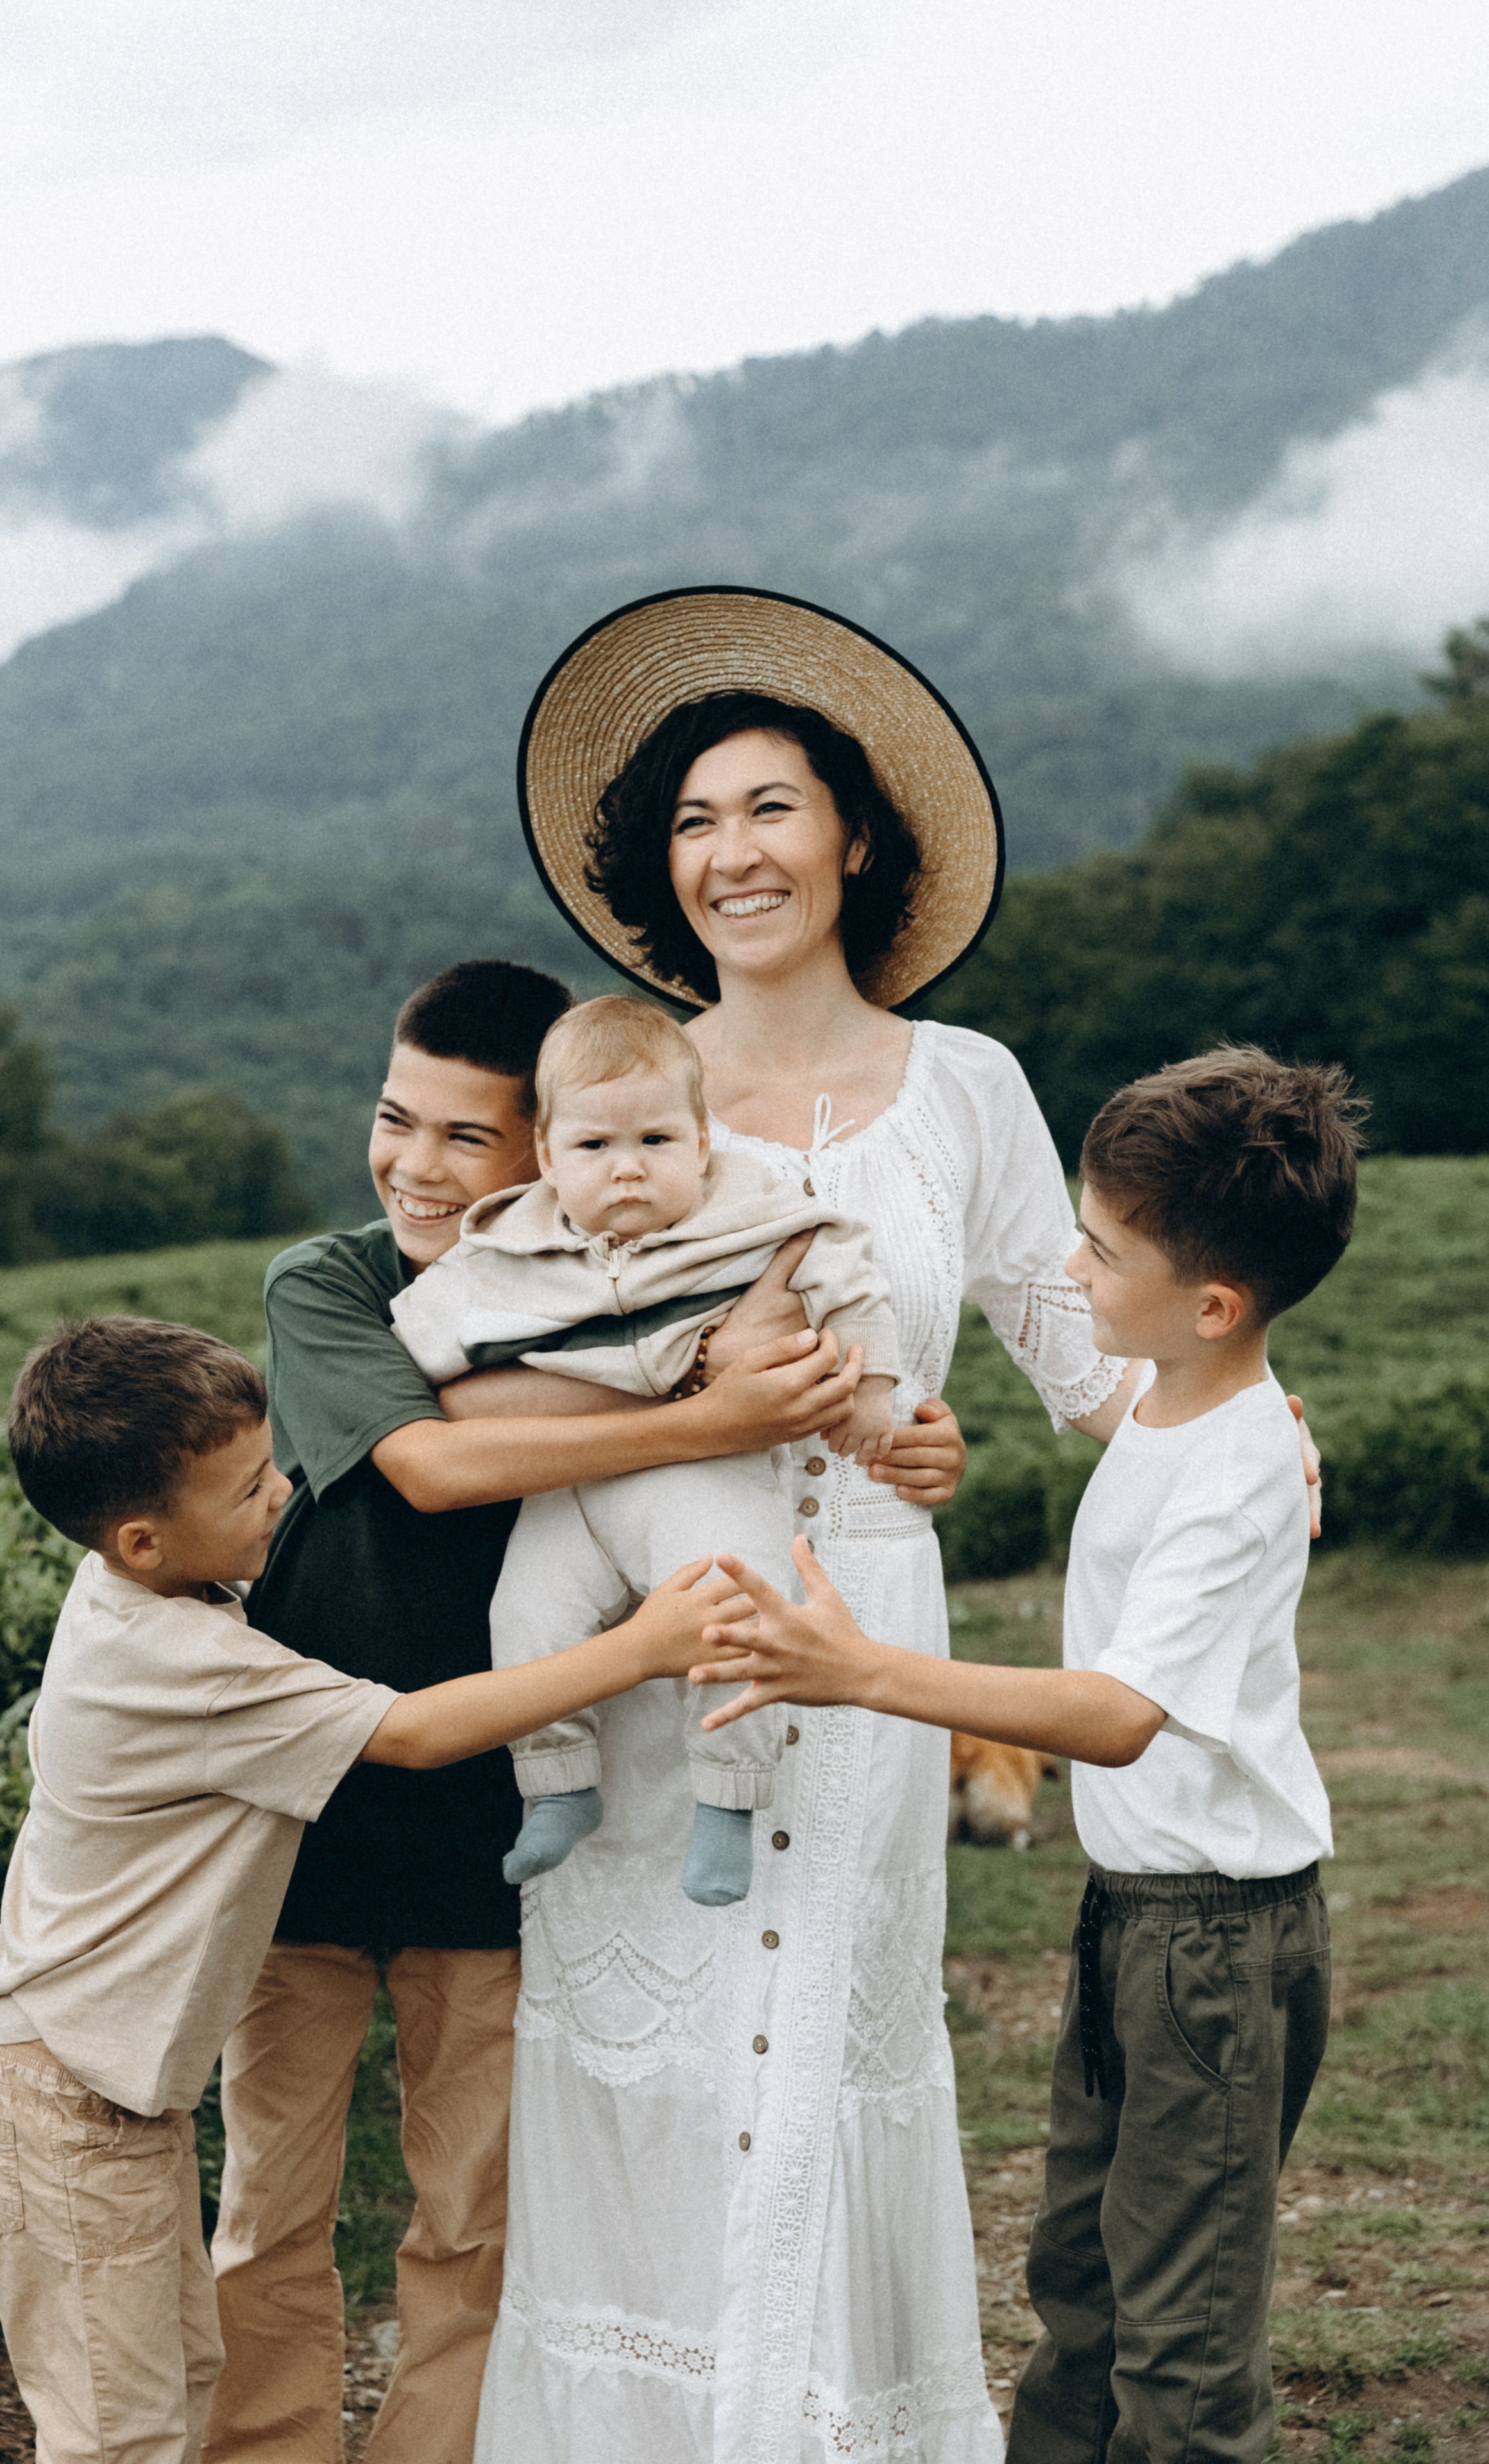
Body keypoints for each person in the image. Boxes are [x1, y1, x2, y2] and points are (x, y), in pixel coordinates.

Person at [474, 587, 1144, 2464]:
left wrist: (1236, 1407)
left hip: (862, 1632)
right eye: (694, 821)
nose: (732, 853)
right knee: (649, 2054)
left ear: (857, 837)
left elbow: (1082, 1348)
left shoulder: (969, 1086)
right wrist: (707, 1415)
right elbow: (515, 1344)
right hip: (643, 1624)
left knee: (831, 2030)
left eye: (770, 808)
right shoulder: (619, 1085)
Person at [201, 959, 962, 2463]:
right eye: (394, 1119)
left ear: (539, 1157)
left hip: (494, 1811)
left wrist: (894, 1435)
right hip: (312, 1803)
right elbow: (433, 1457)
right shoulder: (328, 1284)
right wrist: (704, 1403)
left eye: (463, 1137)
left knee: (470, 2214)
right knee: (269, 2206)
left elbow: (797, 1368)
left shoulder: (637, 1268)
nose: (417, 1166)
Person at [685, 1043, 1357, 2464]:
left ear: (1212, 1305)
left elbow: (1116, 1713)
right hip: (1138, 1920)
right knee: (1081, 2280)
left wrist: (862, 1672)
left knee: (1179, 2346)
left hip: (1214, 1942)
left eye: (1101, 1250)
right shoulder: (1172, 1402)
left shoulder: (1235, 1466)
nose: (1068, 1263)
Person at [0, 1314, 754, 2464]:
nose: (282, 1492)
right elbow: (415, 1733)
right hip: (65, 2089)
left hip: (98, 2084)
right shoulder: (180, 1663)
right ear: (141, 1539)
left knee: (173, 2387)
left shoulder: (156, 1598)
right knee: (114, 2432)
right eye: (246, 1490)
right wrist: (641, 1647)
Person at [392, 992, 899, 1908]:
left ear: (702, 1142)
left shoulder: (755, 1216)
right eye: (594, 1146)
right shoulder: (509, 1242)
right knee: (527, 1617)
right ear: (549, 1155)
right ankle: (558, 1785)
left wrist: (874, 1389)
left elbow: (847, 1277)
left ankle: (728, 1800)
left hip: (708, 1470)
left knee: (735, 1610)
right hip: (572, 1482)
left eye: (655, 1141)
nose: (627, 1168)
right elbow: (422, 1339)